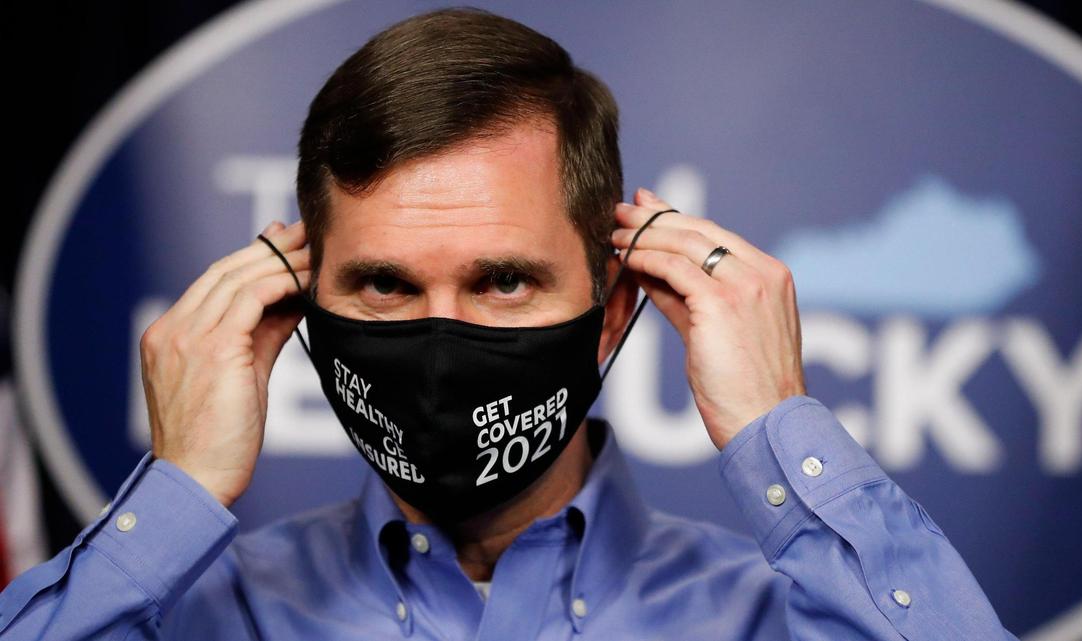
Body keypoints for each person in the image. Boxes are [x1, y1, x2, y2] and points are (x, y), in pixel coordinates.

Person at [0, 8, 1016, 640]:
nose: (442, 340)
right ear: (300, 304)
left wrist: (780, 428)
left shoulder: (773, 614)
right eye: (387, 285)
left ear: (615, 310)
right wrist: (177, 491)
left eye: (502, 283)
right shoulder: (192, 612)